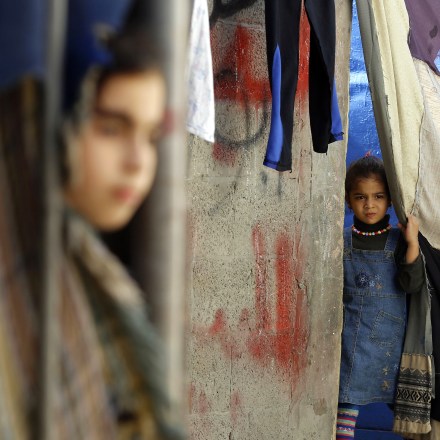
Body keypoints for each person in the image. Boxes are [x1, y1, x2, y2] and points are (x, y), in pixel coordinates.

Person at [336, 156, 425, 439]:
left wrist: (412, 243)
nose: (369, 204)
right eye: (360, 197)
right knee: (344, 415)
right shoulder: (342, 241)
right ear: (349, 200)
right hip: (351, 344)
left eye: (378, 196)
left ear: (389, 200)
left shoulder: (399, 243)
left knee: (409, 418)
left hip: (391, 348)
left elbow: (411, 284)